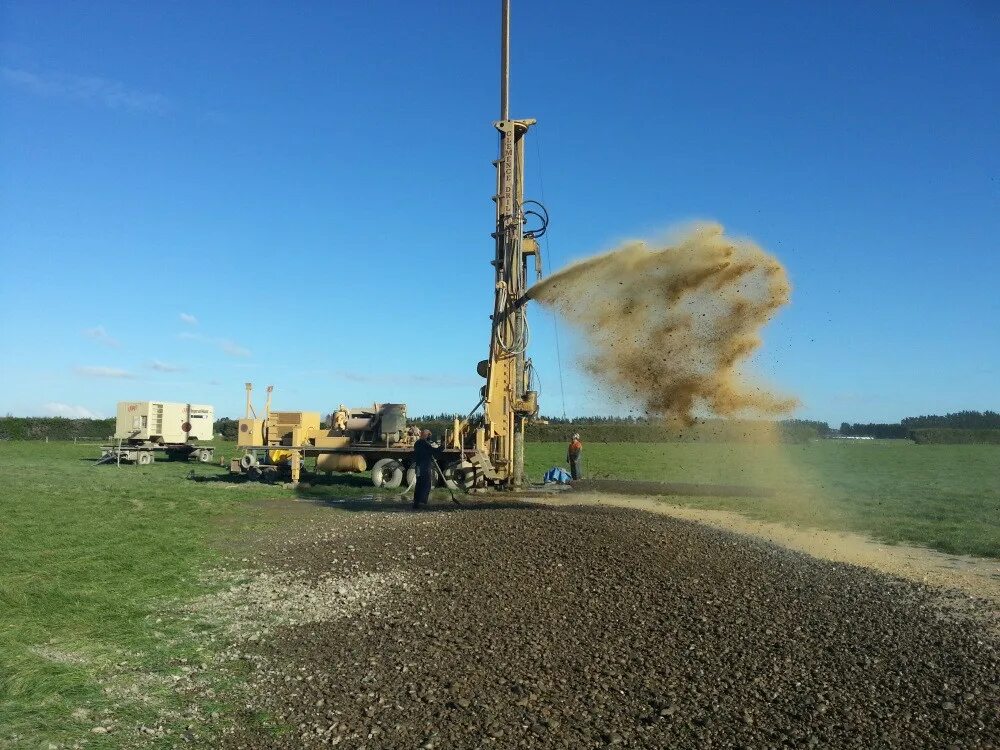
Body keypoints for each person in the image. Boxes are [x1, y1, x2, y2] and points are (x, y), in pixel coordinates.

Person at [412, 429, 445, 509]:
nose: (429, 437)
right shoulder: (425, 444)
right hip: (425, 467)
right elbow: (435, 451)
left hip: (418, 466)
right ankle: (422, 502)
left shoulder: (417, 443)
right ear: (425, 435)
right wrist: (443, 446)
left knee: (419, 484)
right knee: (426, 484)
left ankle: (416, 502)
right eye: (429, 435)